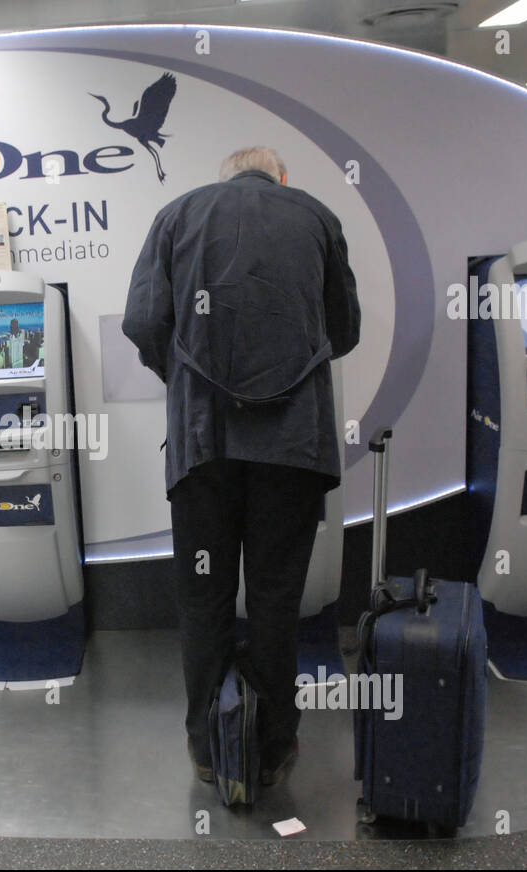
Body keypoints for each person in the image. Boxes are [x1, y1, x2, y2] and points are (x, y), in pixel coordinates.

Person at [123, 146, 361, 787]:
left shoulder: (178, 214)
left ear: (222, 177)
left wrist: (182, 377)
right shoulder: (316, 217)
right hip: (291, 452)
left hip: (204, 449)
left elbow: (143, 320)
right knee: (277, 597)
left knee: (204, 597)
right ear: (280, 179)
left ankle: (208, 750)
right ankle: (275, 747)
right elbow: (346, 330)